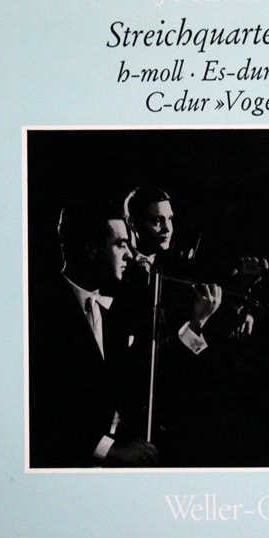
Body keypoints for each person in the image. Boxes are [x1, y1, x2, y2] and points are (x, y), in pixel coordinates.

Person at [29, 199, 159, 468]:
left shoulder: (112, 313)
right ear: (90, 250)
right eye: (121, 244)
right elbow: (40, 410)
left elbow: (134, 384)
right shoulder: (38, 312)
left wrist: (195, 326)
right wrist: (108, 450)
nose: (131, 255)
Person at [123, 186, 223, 465]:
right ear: (132, 223)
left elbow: (183, 356)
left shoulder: (178, 270)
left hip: (168, 409)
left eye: (170, 219)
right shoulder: (116, 269)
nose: (167, 228)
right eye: (157, 221)